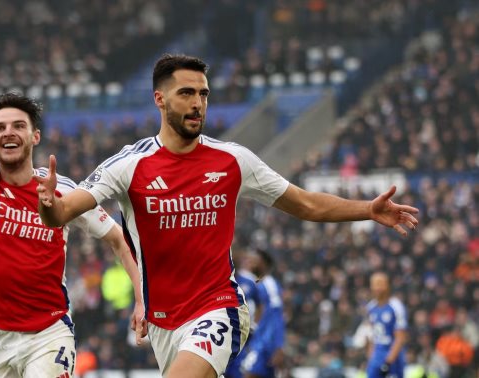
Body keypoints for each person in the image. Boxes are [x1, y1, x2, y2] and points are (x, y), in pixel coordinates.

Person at [35, 53, 419, 378]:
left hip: (220, 308)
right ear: (159, 99)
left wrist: (367, 209)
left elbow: (304, 203)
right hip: (163, 322)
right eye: (186, 93)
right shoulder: (129, 165)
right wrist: (49, 204)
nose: (197, 103)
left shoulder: (233, 160)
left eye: (203, 94)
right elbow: (64, 212)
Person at [0, 19, 146, 377]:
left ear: (34, 137)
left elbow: (116, 238)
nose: (8, 133)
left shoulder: (62, 190)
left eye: (18, 126)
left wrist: (141, 298)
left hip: (49, 333)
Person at [241, 251, 285, 378]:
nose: (249, 262)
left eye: (254, 259)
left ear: (263, 263)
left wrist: (278, 345)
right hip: (253, 341)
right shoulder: (249, 284)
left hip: (263, 343)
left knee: (249, 374)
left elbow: (276, 315)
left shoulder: (269, 284)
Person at [224, 249, 259, 378]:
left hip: (244, 333)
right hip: (224, 331)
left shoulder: (250, 280)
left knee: (239, 368)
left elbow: (261, 303)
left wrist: (255, 323)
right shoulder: (219, 280)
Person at [366, 272, 408, 378]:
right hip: (376, 356)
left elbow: (400, 337)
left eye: (380, 283)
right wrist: (371, 358)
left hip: (392, 356)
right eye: (374, 284)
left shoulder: (396, 306)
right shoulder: (371, 307)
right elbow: (372, 335)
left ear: (387, 286)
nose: (377, 287)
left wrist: (388, 362)